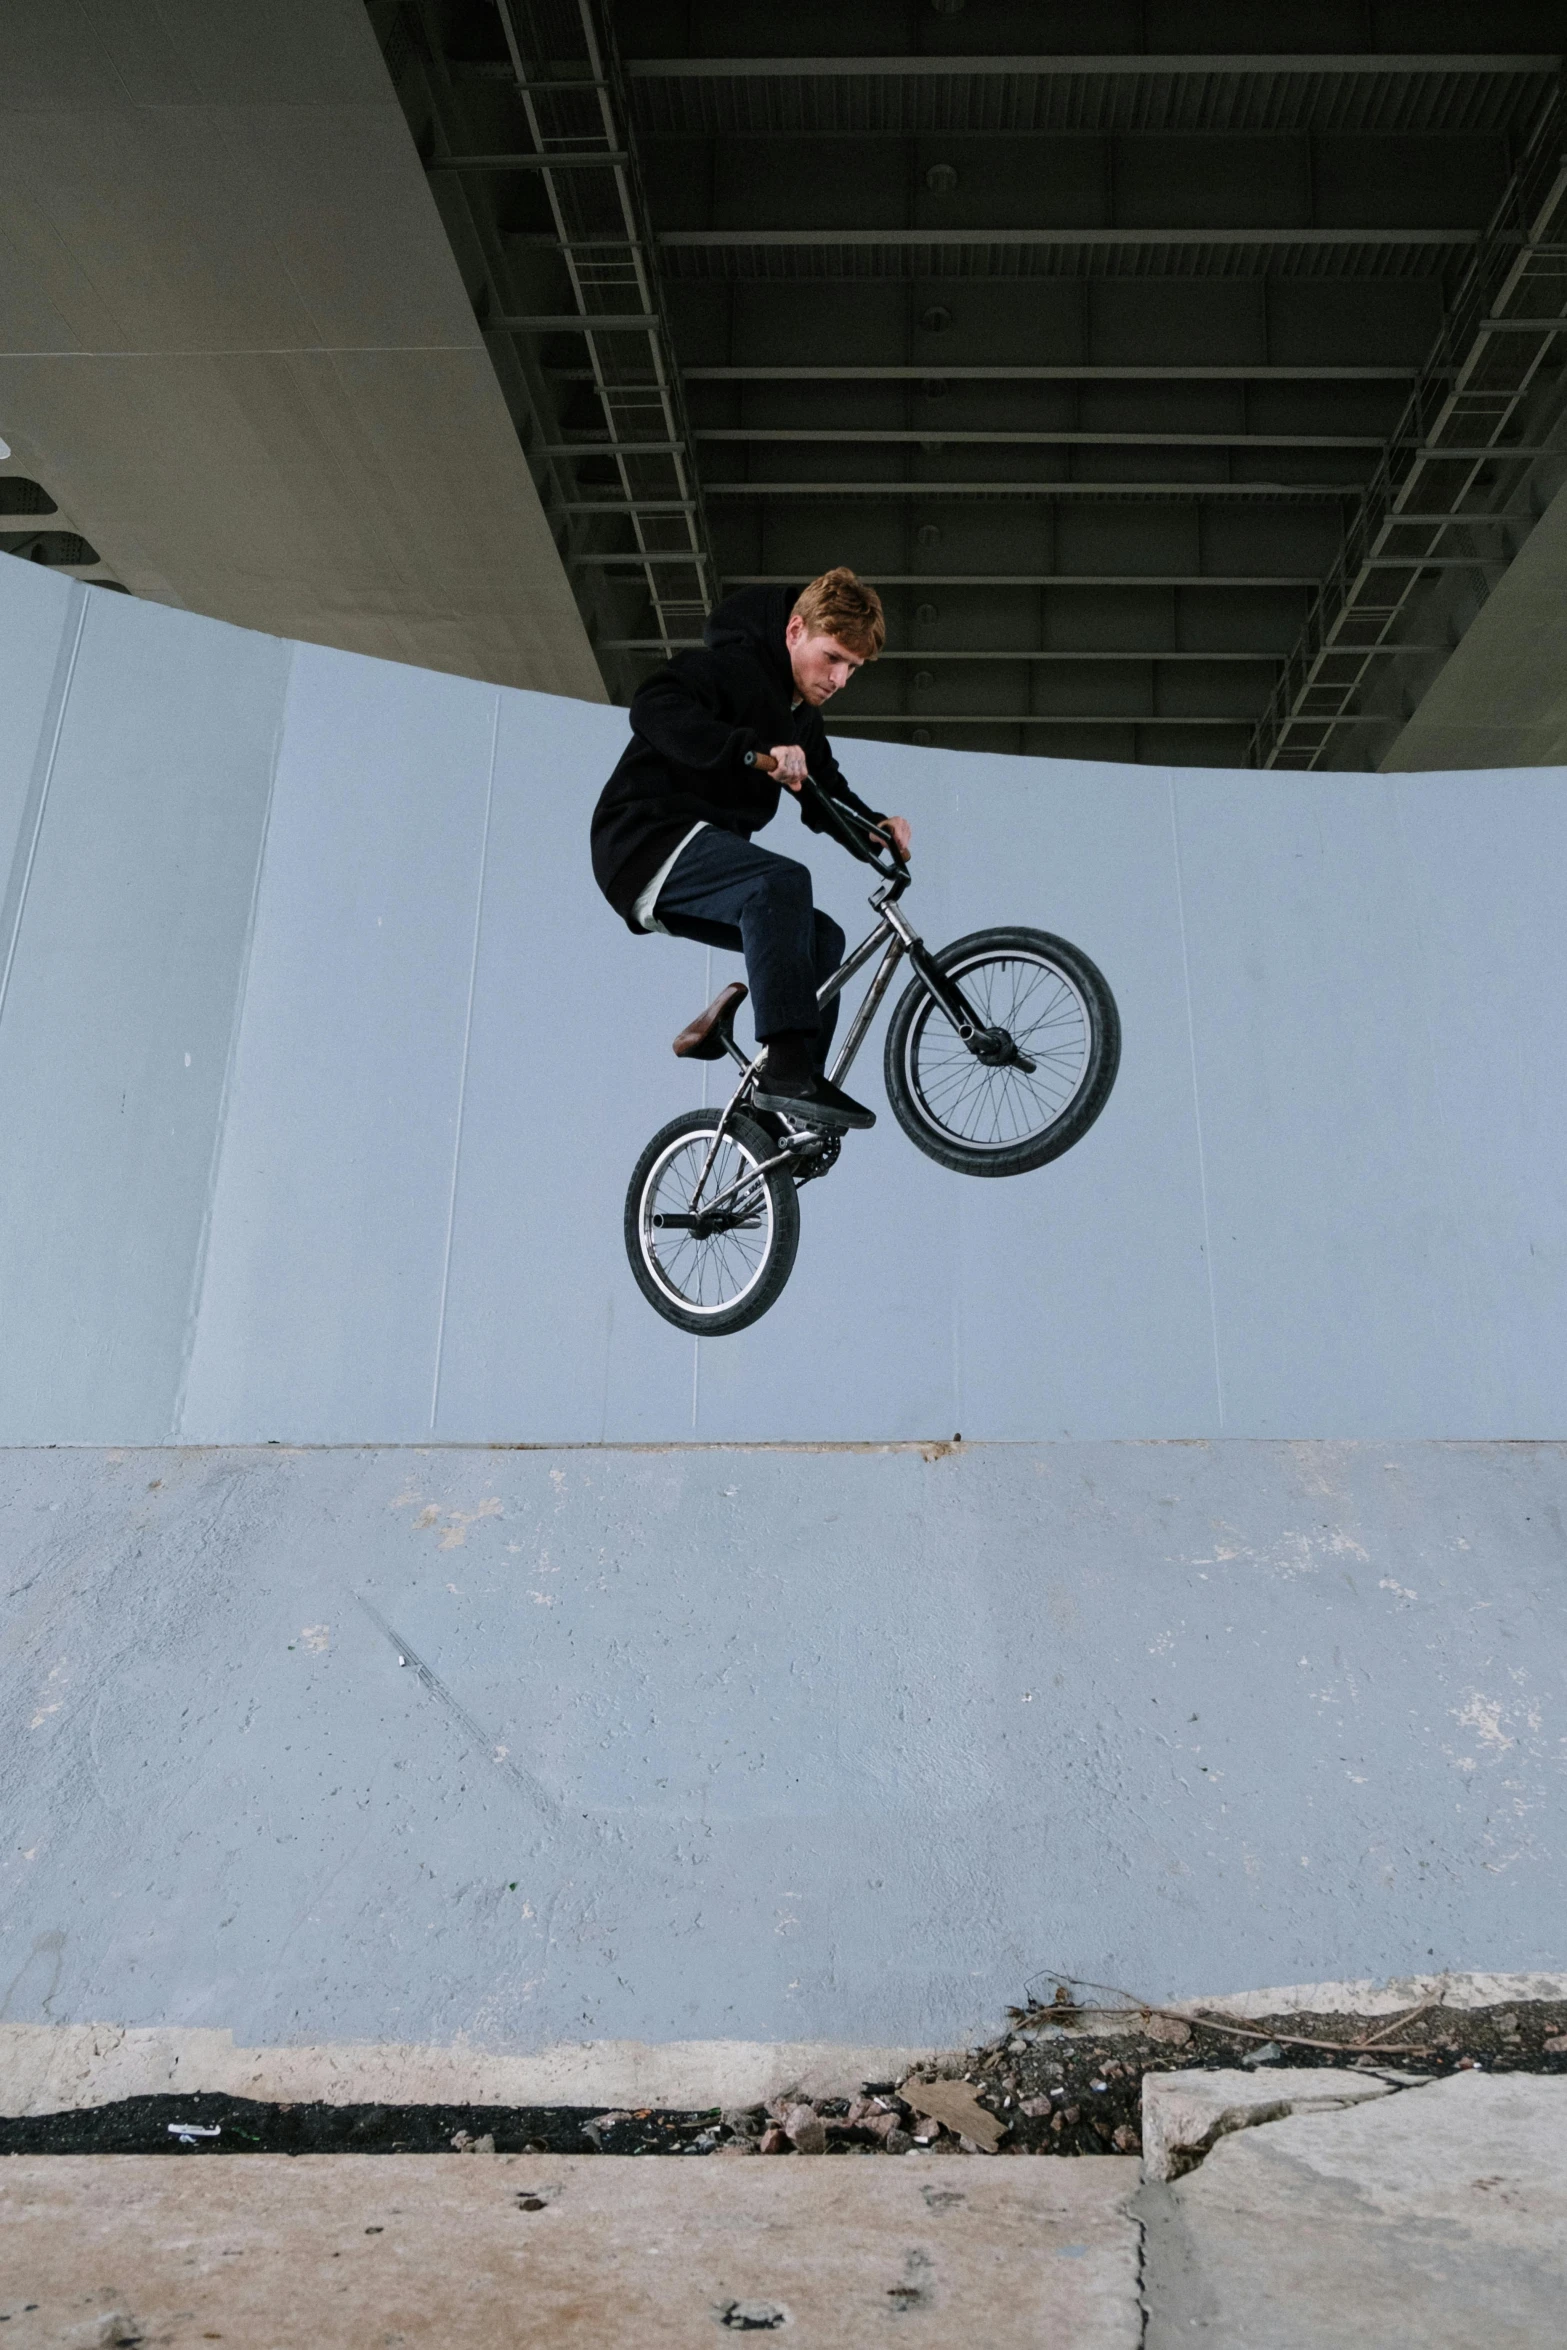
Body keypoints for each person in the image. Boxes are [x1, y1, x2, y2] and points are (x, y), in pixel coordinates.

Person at [590, 569, 912, 1130]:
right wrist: (749, 752)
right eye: (832, 657)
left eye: (852, 669)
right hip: (643, 837)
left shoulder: (801, 721)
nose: (838, 679)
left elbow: (826, 796)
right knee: (780, 882)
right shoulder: (728, 667)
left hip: (691, 858)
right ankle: (786, 1073)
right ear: (793, 631)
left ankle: (775, 1121)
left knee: (821, 937)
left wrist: (875, 829)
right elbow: (652, 706)